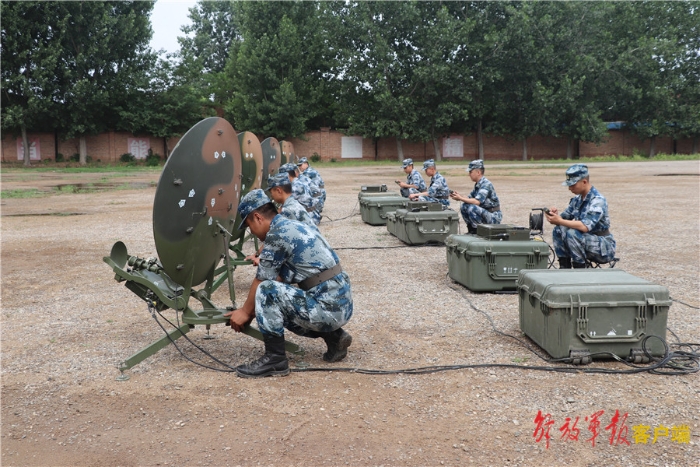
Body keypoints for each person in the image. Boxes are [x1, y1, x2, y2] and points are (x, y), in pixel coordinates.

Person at [224, 189, 353, 378]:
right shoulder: (292, 225)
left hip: (329, 310)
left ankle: (275, 359)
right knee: (274, 302)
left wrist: (244, 312)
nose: (251, 232)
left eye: (249, 226)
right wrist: (253, 312)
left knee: (267, 290)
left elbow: (264, 281)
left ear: (258, 217)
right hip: (341, 306)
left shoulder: (277, 235)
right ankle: (334, 337)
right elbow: (280, 278)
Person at [545, 164, 616, 269]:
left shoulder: (597, 200)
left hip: (603, 247)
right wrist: (554, 215)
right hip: (583, 241)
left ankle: (580, 269)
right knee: (559, 229)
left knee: (572, 233)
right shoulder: (577, 200)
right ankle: (564, 266)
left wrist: (559, 220)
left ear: (584, 182)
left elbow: (584, 227)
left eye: (573, 184)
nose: (570, 188)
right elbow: (563, 219)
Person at [450, 159, 502, 234]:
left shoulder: (486, 184)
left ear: (478, 172)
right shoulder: (478, 184)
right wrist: (458, 196)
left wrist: (461, 198)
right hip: (485, 213)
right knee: (464, 206)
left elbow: (477, 202)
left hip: (493, 216)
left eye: (470, 172)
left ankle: (478, 232)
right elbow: (469, 198)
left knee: (472, 208)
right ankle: (472, 230)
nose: (469, 174)